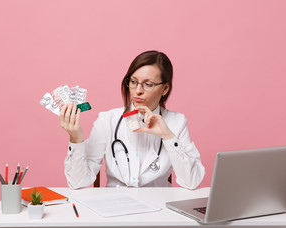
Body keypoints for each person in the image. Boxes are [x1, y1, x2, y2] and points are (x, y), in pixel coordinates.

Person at [60, 50, 205, 189]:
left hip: (159, 207)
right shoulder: (107, 120)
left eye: (148, 84)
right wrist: (76, 139)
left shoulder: (176, 122)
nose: (138, 90)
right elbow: (77, 182)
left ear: (165, 88)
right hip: (115, 206)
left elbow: (192, 181)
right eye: (133, 82)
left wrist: (168, 136)